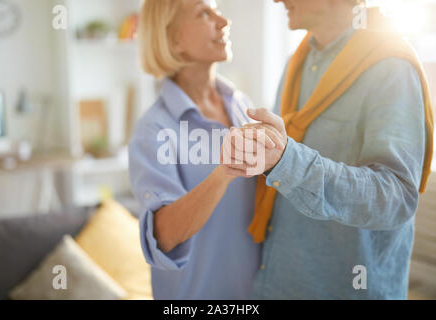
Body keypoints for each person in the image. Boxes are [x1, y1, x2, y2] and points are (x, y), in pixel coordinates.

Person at [222, 0, 434, 299]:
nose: (276, 1)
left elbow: (396, 198)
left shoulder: (392, 69)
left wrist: (288, 160)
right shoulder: (295, 63)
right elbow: (280, 166)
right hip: (277, 283)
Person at [128, 0, 274, 299]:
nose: (224, 21)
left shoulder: (242, 104)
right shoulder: (154, 129)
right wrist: (223, 173)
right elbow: (164, 236)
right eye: (204, 13)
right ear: (174, 39)